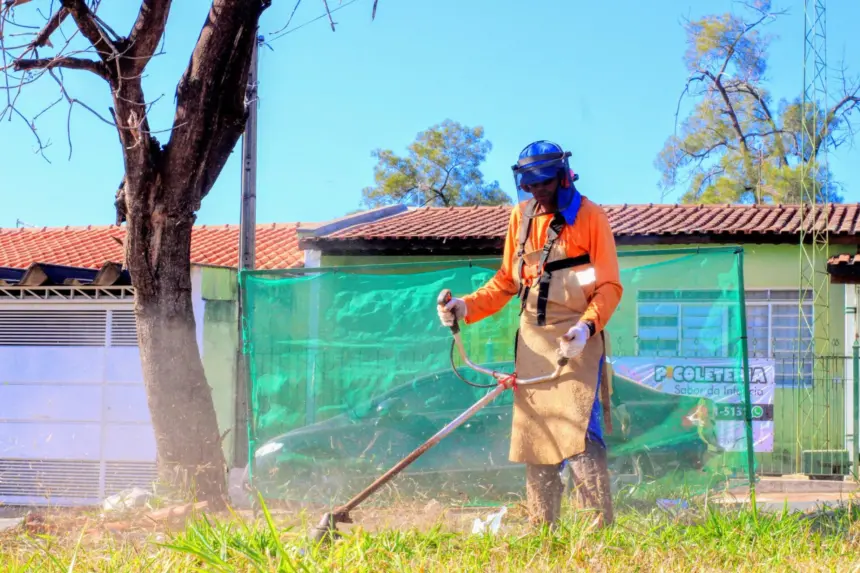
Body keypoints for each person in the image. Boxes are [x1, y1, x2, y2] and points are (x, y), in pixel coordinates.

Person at [437, 140, 623, 528]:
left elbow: (608, 287)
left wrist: (585, 328)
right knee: (535, 438)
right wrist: (466, 307)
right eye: (529, 185)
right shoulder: (520, 219)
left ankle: (597, 532)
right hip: (533, 344)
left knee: (578, 434)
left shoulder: (592, 217)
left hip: (577, 342)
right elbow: (506, 281)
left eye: (544, 184)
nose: (537, 192)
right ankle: (544, 531)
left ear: (563, 178)